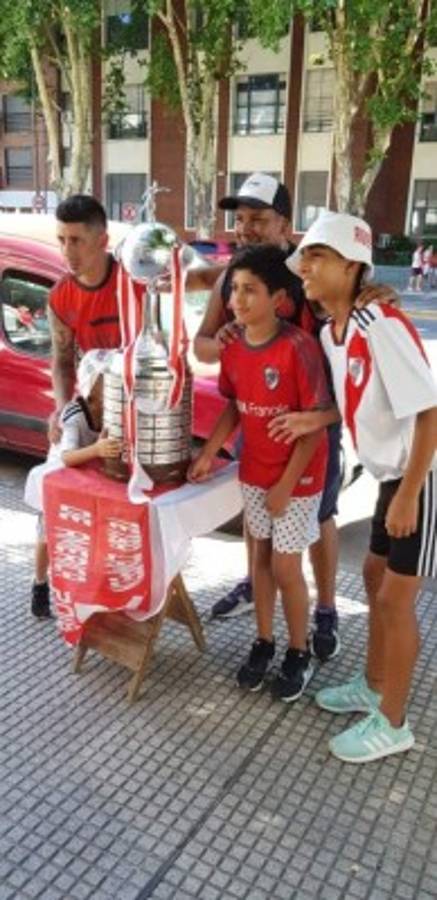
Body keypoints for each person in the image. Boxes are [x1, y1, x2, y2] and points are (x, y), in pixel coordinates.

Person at [287, 210, 437, 762]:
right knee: (374, 577)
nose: (306, 266)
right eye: (304, 256)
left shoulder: (381, 324)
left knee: (395, 600)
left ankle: (393, 723)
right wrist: (315, 418)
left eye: (318, 255)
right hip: (392, 476)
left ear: (352, 266)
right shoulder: (336, 330)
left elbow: (430, 412)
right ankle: (373, 685)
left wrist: (410, 493)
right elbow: (351, 398)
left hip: (423, 474)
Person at [193, 174, 344, 662]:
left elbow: (353, 306)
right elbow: (202, 345)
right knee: (258, 523)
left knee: (319, 514)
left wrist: (376, 294)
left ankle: (325, 608)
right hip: (256, 417)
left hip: (315, 419)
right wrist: (225, 341)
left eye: (258, 219)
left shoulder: (309, 273)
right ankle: (255, 589)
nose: (246, 228)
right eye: (240, 219)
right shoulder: (232, 278)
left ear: (285, 222)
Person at [25, 350, 122, 618]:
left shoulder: (113, 411)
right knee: (46, 536)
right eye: (108, 380)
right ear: (91, 387)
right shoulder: (74, 413)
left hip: (84, 483)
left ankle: (87, 592)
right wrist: (98, 449)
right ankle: (39, 584)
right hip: (57, 482)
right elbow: (67, 457)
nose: (117, 385)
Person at [48, 194, 142, 442]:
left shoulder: (136, 278)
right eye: (61, 240)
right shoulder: (60, 296)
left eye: (76, 241)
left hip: (142, 406)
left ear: (103, 241)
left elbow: (196, 279)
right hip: (95, 411)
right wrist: (62, 409)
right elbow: (62, 362)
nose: (67, 251)